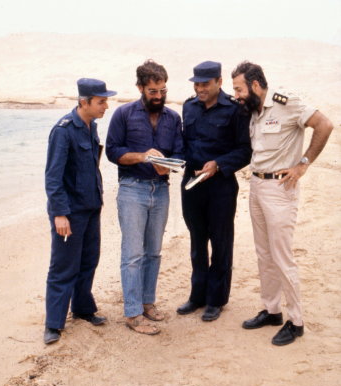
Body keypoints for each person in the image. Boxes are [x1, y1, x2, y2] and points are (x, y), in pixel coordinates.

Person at [232, 61, 333, 345]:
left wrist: (303, 164)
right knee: (264, 254)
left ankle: (296, 321)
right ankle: (272, 310)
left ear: (254, 85)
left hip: (280, 188)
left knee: (281, 256)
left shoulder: (286, 102)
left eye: (239, 89)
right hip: (257, 186)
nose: (237, 95)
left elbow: (324, 125)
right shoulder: (254, 110)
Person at [106, 60, 183, 335]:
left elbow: (179, 153)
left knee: (154, 252)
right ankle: (133, 313)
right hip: (132, 189)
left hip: (161, 190)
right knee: (133, 254)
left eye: (162, 90)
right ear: (140, 87)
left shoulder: (174, 118)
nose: (159, 96)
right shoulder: (123, 114)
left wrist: (169, 165)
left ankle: (148, 304)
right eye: (153, 90)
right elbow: (112, 152)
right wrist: (143, 157)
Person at [177, 61, 252, 322]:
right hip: (191, 184)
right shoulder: (188, 107)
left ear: (219, 82)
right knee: (197, 241)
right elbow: (184, 144)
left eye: (205, 84)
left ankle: (216, 300)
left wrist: (218, 164)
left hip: (220, 185)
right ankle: (197, 296)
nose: (200, 88)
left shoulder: (235, 110)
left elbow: (245, 150)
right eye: (196, 84)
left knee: (220, 242)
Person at [44, 78, 117, 344]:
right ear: (84, 102)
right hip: (70, 213)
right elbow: (53, 177)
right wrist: (59, 213)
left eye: (106, 101)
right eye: (101, 101)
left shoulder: (91, 126)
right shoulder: (63, 131)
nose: (106, 106)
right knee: (63, 266)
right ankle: (53, 323)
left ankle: (83, 309)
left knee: (88, 261)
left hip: (90, 208)